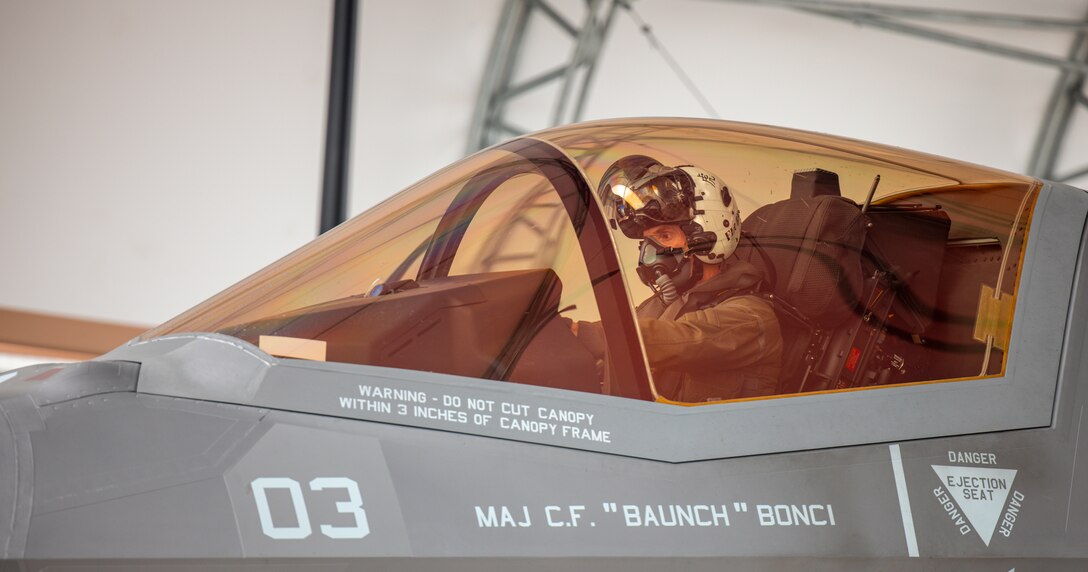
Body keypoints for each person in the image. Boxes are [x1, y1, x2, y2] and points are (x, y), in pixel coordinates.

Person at [577, 155, 783, 402]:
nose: (649, 253)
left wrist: (586, 334)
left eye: (664, 236)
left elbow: (685, 338)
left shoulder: (752, 318)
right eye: (646, 241)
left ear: (706, 237)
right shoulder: (662, 305)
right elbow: (618, 334)